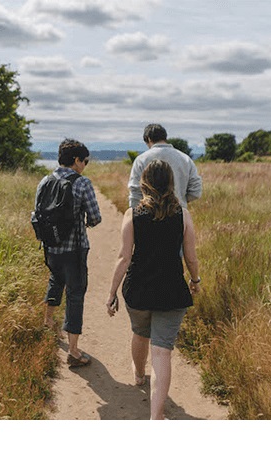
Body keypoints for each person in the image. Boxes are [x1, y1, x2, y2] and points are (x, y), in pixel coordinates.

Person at [107, 159, 200, 420]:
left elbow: (124, 257)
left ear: (144, 183)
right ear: (171, 184)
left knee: (140, 333)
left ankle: (138, 375)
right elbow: (191, 258)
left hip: (138, 290)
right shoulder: (183, 214)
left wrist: (111, 292)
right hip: (172, 291)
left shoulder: (132, 215)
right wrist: (196, 281)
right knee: (162, 351)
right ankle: (156, 417)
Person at [38, 138, 101, 367]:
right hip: (74, 249)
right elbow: (95, 218)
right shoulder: (82, 183)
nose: (85, 165)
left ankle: (48, 323)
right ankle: (74, 351)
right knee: (75, 294)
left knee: (55, 280)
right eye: (85, 161)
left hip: (50, 247)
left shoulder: (45, 180)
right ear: (76, 160)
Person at [128, 123, 202, 209]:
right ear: (165, 137)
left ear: (148, 139)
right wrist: (181, 200)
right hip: (178, 214)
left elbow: (135, 191)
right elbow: (195, 192)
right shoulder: (185, 159)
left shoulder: (141, 160)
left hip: (148, 215)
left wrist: (135, 213)